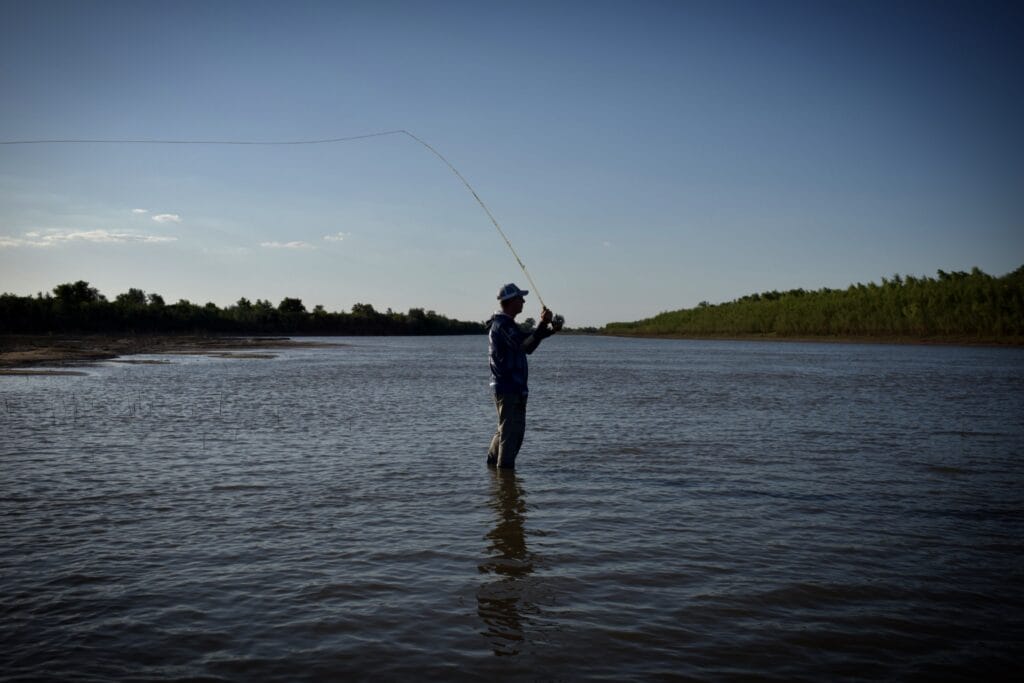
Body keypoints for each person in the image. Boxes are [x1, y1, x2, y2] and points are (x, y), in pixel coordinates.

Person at [486, 283, 563, 468]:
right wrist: (544, 323)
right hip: (508, 388)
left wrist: (551, 329)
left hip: (513, 388)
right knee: (511, 436)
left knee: (506, 432)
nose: (523, 301)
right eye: (520, 298)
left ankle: (494, 472)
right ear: (512, 301)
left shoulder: (507, 325)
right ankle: (505, 481)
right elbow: (526, 345)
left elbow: (529, 341)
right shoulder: (502, 325)